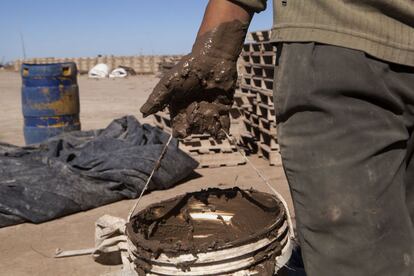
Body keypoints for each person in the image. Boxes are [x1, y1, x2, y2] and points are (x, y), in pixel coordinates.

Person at [141, 0, 414, 275]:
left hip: (339, 42)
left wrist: (216, 49)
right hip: (361, 43)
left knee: (357, 256)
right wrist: (215, 52)